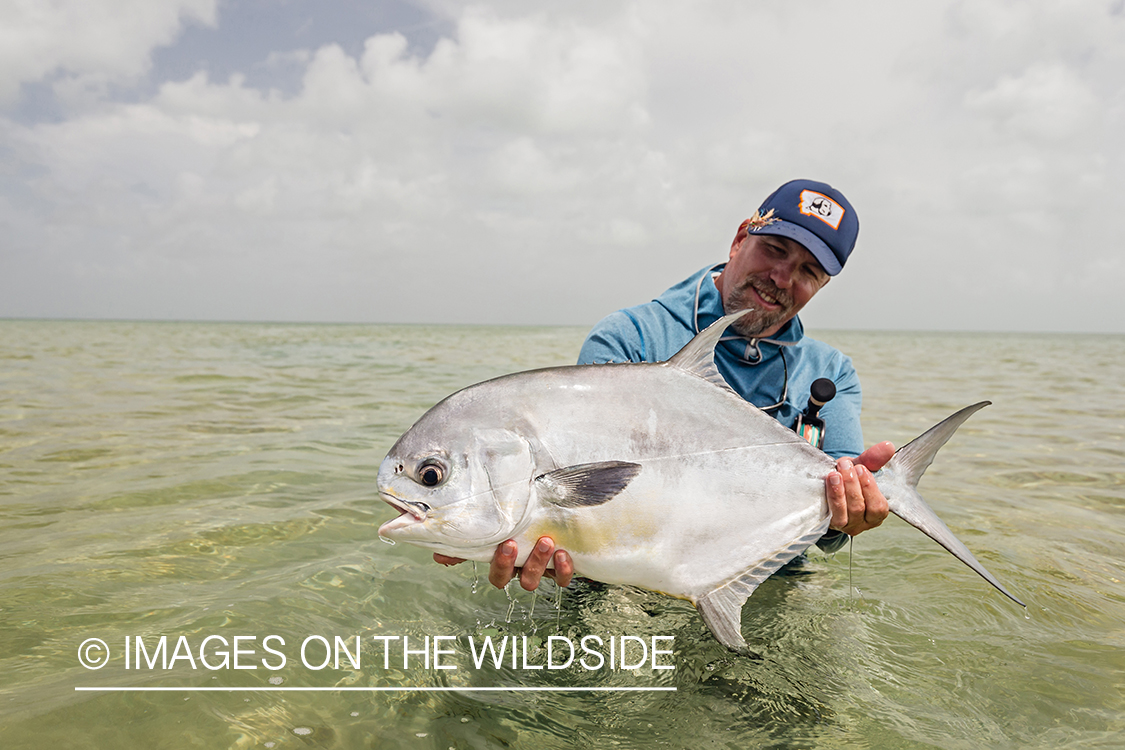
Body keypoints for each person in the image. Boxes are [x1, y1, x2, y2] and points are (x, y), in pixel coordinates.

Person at [434, 178, 893, 591]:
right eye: (774, 249)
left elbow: (834, 530)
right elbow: (581, 503)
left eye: (808, 271)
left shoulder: (831, 372)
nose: (781, 278)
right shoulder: (630, 339)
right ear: (739, 239)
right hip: (625, 588)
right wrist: (517, 534)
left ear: (822, 285)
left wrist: (846, 514)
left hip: (769, 581)